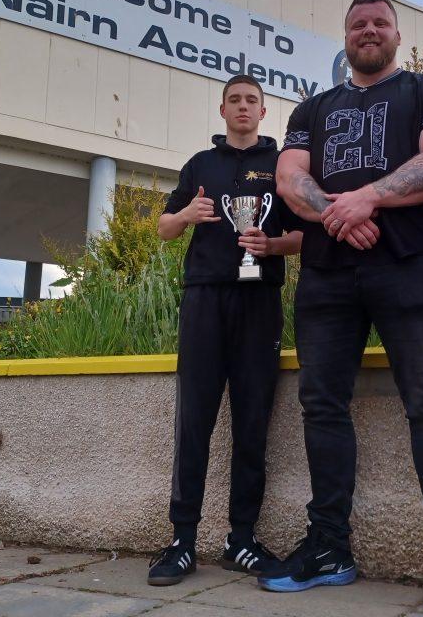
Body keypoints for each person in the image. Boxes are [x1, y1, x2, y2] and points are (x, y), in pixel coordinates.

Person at [264, 0, 423, 617]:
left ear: (396, 34)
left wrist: (365, 199)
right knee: (321, 406)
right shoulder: (312, 108)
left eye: (379, 23)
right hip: (329, 277)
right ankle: (330, 549)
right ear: (345, 36)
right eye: (357, 24)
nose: (368, 31)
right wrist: (346, 212)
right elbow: (289, 179)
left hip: (408, 270)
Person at [147, 74, 302, 586]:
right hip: (204, 300)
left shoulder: (283, 164)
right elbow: (164, 228)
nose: (242, 107)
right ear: (222, 110)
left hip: (259, 303)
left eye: (251, 101)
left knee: (252, 423)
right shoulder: (200, 165)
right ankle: (181, 541)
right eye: (234, 100)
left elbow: (305, 233)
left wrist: (272, 247)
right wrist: (187, 214)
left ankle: (242, 539)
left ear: (263, 111)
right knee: (194, 420)